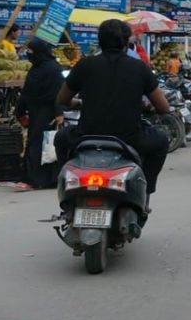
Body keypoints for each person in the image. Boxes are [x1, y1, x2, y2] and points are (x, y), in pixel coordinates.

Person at [55, 19, 171, 200]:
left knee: (61, 138)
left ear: (100, 41)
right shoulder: (139, 67)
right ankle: (146, 189)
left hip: (86, 135)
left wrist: (80, 103)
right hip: (130, 137)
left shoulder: (85, 65)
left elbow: (62, 99)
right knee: (162, 141)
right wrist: (146, 107)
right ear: (126, 43)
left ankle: (66, 185)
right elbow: (163, 107)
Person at [15, 38, 64, 190]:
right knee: (41, 143)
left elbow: (58, 93)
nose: (29, 54)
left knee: (42, 144)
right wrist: (21, 112)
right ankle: (46, 179)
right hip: (36, 112)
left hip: (48, 112)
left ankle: (35, 179)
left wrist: (59, 113)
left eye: (31, 51)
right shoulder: (38, 68)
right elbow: (26, 93)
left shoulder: (53, 69)